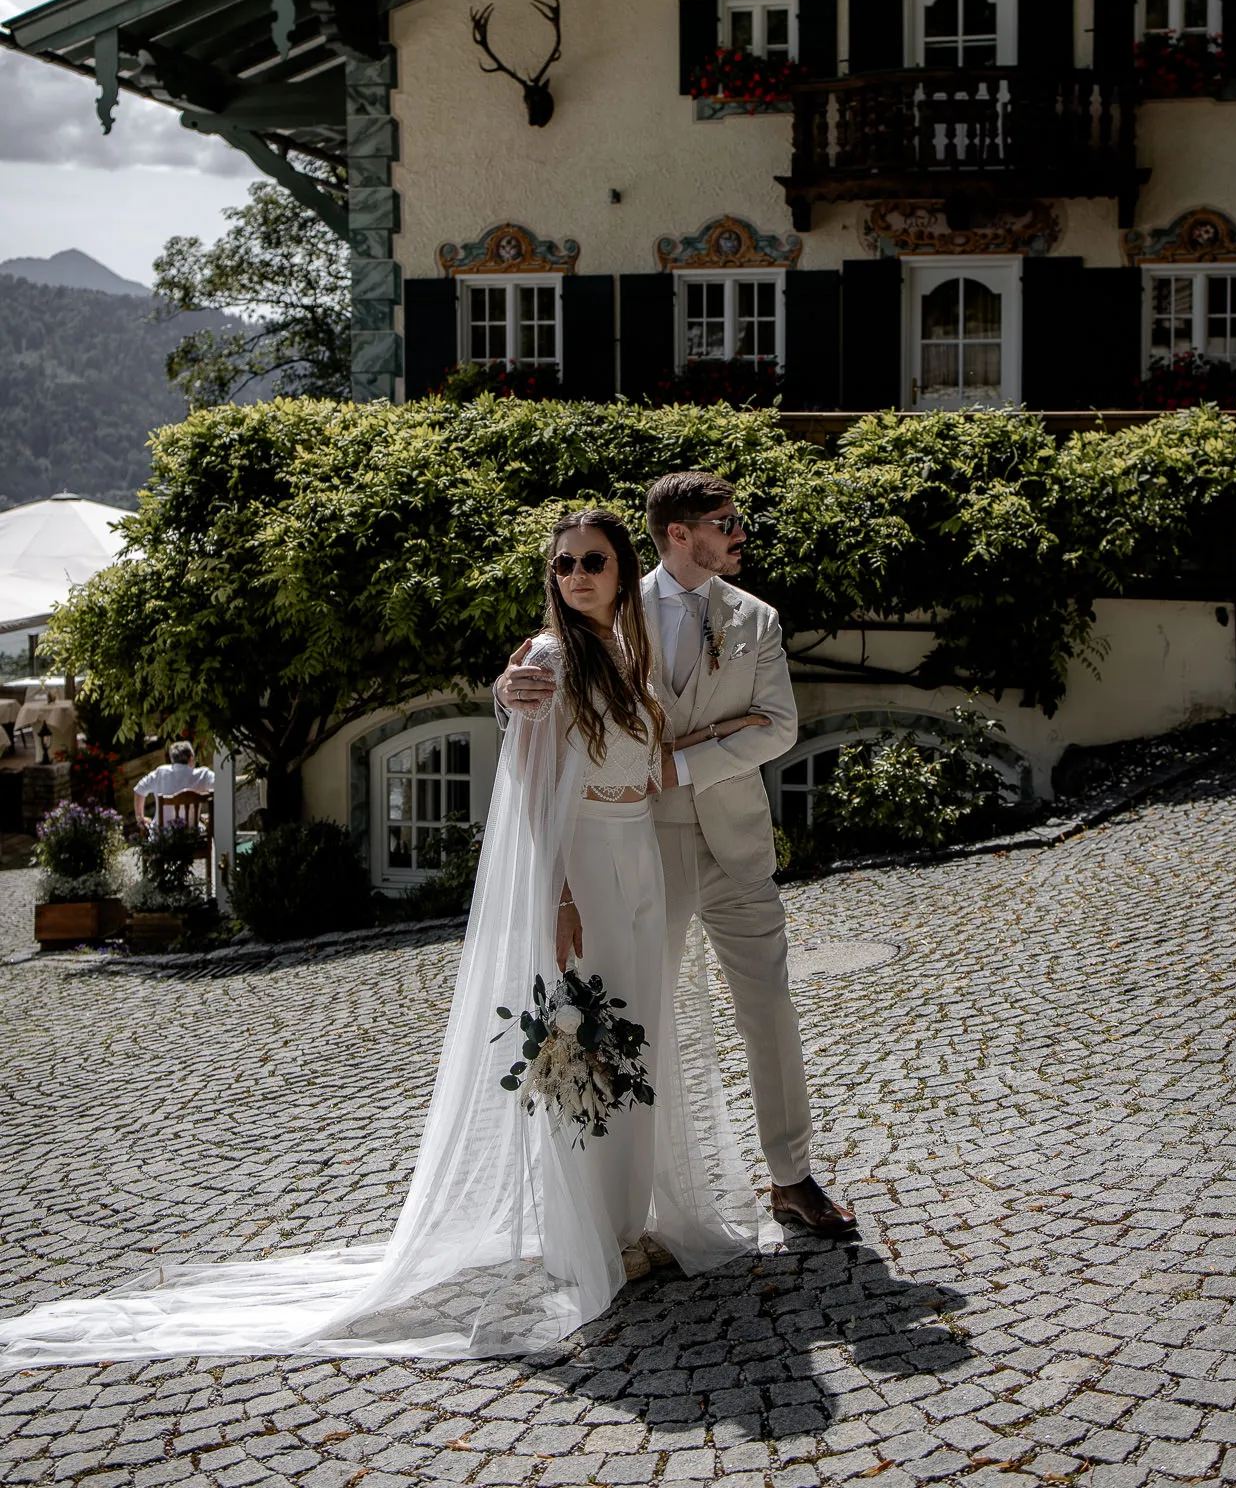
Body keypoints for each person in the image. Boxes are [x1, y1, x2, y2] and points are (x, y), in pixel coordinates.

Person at [0, 510, 763, 1371]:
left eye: (592, 561)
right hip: (582, 862)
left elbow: (644, 753)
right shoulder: (550, 659)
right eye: (563, 564)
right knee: (581, 1044)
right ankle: (590, 1236)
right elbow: (530, 786)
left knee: (637, 1037)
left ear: (623, 569)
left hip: (638, 858)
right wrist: (553, 898)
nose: (577, 574)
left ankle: (633, 1221)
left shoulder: (627, 655)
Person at [498, 471, 860, 1240]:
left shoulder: (754, 618)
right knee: (635, 1012)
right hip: (636, 843)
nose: (738, 532)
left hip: (734, 840)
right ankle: (626, 1206)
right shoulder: (619, 610)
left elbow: (778, 727)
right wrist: (506, 689)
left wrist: (685, 760)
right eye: (725, 521)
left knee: (768, 1000)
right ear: (676, 535)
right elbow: (550, 682)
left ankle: (791, 1177)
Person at [133, 741, 215, 833]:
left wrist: (140, 818)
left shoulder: (160, 773)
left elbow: (138, 790)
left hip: (162, 839)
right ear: (191, 758)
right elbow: (221, 785)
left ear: (172, 760)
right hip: (193, 836)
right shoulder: (203, 774)